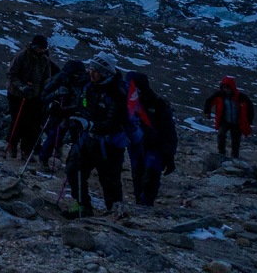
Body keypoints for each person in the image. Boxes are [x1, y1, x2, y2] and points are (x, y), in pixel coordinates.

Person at [67, 53, 128, 217]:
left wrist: (89, 125)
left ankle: (114, 213)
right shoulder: (90, 86)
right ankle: (82, 205)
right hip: (87, 139)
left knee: (109, 180)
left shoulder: (118, 93)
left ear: (105, 73)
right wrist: (64, 112)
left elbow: (113, 124)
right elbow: (82, 107)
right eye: (91, 68)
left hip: (109, 145)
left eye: (96, 70)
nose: (91, 73)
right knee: (74, 170)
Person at [125, 71, 178, 205]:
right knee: (138, 174)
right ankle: (140, 202)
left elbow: (169, 131)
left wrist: (168, 155)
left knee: (151, 175)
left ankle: (146, 204)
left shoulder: (158, 105)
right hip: (136, 146)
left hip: (155, 147)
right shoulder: (128, 103)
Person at [6, 34, 59, 160]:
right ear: (34, 46)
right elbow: (11, 74)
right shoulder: (21, 56)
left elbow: (47, 77)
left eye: (43, 48)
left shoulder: (45, 60)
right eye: (40, 48)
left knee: (31, 123)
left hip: (34, 96)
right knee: (17, 120)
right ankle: (12, 145)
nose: (42, 51)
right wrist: (21, 86)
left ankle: (26, 149)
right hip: (16, 94)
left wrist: (47, 86)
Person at [39, 59, 87, 168]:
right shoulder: (60, 79)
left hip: (76, 112)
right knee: (54, 136)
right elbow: (44, 97)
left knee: (77, 140)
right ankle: (44, 158)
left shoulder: (84, 82)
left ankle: (72, 164)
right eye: (77, 73)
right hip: (59, 112)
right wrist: (57, 93)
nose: (79, 76)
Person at [202, 76, 254, 158]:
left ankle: (234, 157)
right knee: (220, 134)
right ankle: (221, 153)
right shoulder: (219, 95)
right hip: (224, 120)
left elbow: (250, 108)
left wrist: (249, 122)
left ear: (232, 87)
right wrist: (207, 111)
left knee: (236, 140)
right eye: (224, 87)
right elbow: (209, 101)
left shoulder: (241, 97)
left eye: (228, 87)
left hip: (237, 122)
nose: (226, 89)